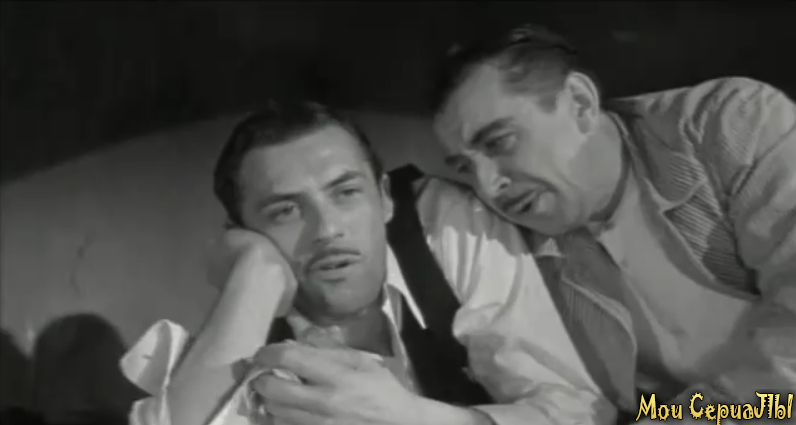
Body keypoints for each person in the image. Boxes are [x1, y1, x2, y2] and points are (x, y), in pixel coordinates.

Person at [120, 100, 617, 425]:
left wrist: (412, 418)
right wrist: (256, 271)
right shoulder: (247, 318)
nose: (327, 229)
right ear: (243, 232)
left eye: (346, 193)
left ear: (384, 198)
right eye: (285, 210)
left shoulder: (446, 226)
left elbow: (579, 412)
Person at [431, 23, 796, 422]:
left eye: (499, 142)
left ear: (580, 103)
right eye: (465, 168)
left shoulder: (733, 126)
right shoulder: (514, 249)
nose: (489, 186)